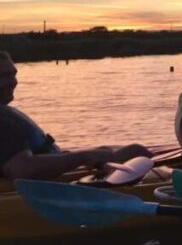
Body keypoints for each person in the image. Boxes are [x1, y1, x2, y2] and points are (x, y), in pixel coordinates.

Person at [0, 51, 152, 180]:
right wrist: (83, 157)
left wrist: (81, 156)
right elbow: (21, 169)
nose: (14, 81)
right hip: (42, 191)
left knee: (127, 151)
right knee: (137, 152)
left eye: (13, 74)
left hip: (51, 180)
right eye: (5, 76)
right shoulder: (3, 121)